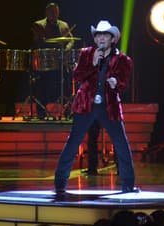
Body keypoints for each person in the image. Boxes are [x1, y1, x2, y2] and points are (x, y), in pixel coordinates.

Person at [53, 20, 137, 197]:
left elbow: (124, 83)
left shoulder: (123, 59)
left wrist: (116, 83)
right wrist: (92, 63)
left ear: (112, 39)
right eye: (98, 35)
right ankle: (60, 184)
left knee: (121, 143)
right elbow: (77, 76)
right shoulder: (86, 54)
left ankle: (128, 184)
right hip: (86, 105)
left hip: (109, 106)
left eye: (105, 35)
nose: (101, 38)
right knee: (73, 143)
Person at [31, 2, 74, 115]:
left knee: (66, 84)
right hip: (45, 61)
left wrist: (67, 49)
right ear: (46, 12)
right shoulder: (39, 24)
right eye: (51, 12)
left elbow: (71, 39)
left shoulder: (64, 25)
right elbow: (38, 42)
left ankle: (67, 110)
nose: (54, 14)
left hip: (61, 60)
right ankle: (41, 111)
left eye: (56, 11)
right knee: (42, 86)